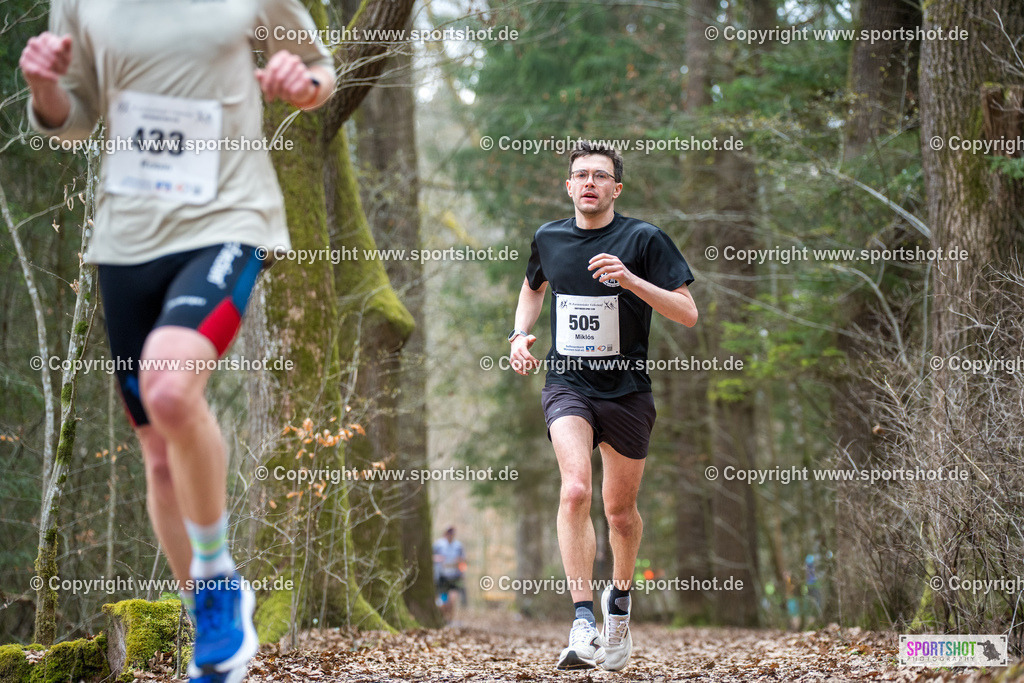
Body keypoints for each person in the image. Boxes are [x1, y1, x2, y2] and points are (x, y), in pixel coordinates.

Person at [20, 3, 336, 682]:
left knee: (169, 385)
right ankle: (211, 613)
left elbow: (318, 75)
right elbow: (73, 119)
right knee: (158, 453)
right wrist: (44, 85)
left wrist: (296, 82)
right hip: (126, 237)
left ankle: (219, 576)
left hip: (228, 217)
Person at [508, 142, 697, 671]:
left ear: (617, 187)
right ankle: (583, 619)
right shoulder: (548, 237)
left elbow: (687, 313)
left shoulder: (644, 239)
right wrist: (518, 336)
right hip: (568, 383)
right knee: (574, 489)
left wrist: (631, 280)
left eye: (600, 175)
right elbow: (531, 290)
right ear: (568, 186)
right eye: (580, 175)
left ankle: (620, 601)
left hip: (628, 390)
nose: (589, 182)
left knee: (619, 511)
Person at [432, 526, 467, 622]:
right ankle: (444, 619)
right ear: (445, 533)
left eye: (452, 533)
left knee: (453, 600)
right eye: (449, 533)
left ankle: (450, 620)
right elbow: (429, 557)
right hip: (442, 578)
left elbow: (463, 562)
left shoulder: (458, 546)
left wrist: (462, 572)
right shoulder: (438, 545)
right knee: (443, 602)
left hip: (454, 577)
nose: (450, 535)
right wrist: (437, 558)